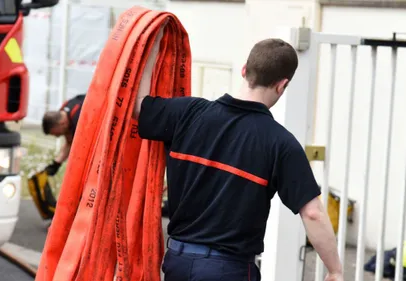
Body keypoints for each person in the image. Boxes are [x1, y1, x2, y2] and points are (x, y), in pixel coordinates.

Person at [133, 37, 344, 281]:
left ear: (244, 70)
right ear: (282, 85)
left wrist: (151, 48)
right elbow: (313, 213)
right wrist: (335, 270)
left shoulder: (187, 113)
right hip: (228, 270)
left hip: (178, 264)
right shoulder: (280, 144)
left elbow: (138, 106)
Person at [41, 94, 86, 176]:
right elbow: (69, 143)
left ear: (62, 124)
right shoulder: (63, 111)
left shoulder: (79, 120)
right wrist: (56, 164)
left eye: (56, 134)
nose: (57, 136)